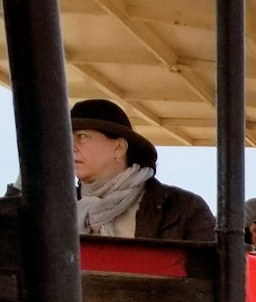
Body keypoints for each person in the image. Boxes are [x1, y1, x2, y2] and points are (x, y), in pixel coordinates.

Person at [70, 98, 213, 241]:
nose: (72, 146)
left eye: (82, 136)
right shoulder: (56, 210)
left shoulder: (182, 210)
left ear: (118, 147)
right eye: (67, 138)